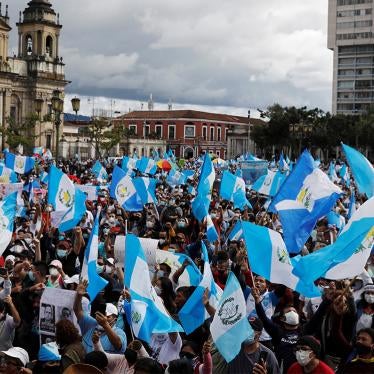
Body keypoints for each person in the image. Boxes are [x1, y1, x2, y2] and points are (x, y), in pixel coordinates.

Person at [73, 280, 127, 354]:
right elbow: (77, 310)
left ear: (115, 319)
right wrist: (78, 296)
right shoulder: (91, 323)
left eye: (108, 316)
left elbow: (118, 345)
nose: (104, 317)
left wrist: (105, 325)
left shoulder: (119, 332)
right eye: (102, 314)